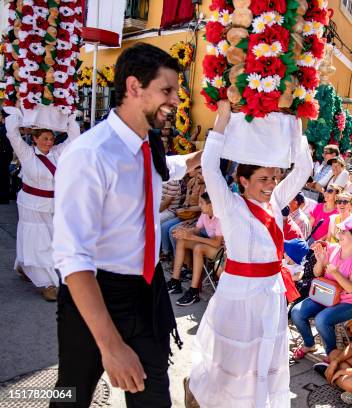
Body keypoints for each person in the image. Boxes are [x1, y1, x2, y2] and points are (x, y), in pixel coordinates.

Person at [52, 43, 202, 407]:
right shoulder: (90, 155)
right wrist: (111, 346)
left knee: (154, 399)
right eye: (166, 90)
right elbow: (73, 259)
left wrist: (220, 142)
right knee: (69, 395)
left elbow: (175, 166)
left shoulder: (149, 145)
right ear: (134, 87)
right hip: (96, 295)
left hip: (145, 293)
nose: (176, 101)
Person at [189, 100, 312, 407]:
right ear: (243, 180)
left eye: (273, 178)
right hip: (238, 293)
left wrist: (295, 124)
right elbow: (208, 164)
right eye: (263, 179)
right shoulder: (229, 205)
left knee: (263, 359)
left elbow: (304, 168)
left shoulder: (276, 201)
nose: (271, 185)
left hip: (270, 293)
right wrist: (222, 119)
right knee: (234, 362)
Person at [5, 109, 80, 301]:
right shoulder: (26, 153)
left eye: (51, 138)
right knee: (39, 241)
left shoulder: (58, 153)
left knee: (51, 240)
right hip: (31, 204)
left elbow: (74, 138)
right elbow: (12, 133)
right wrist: (19, 111)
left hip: (54, 204)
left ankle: (24, 264)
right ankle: (47, 283)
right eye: (45, 138)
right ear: (35, 139)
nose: (49, 142)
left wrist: (68, 115)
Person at [291, 214, 352, 358]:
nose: (339, 232)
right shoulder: (333, 248)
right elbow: (317, 273)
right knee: (296, 312)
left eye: (344, 231)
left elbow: (351, 288)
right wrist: (320, 261)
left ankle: (332, 354)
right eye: (340, 229)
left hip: (349, 303)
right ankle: (309, 344)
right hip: (325, 295)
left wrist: (335, 272)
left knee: (321, 320)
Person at [166, 192, 223, 305]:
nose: (199, 205)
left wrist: (191, 236)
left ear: (211, 205)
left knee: (198, 248)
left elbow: (217, 243)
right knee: (182, 241)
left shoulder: (219, 218)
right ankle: (175, 281)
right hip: (210, 245)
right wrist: (184, 233)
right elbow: (196, 230)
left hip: (222, 250)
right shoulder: (204, 214)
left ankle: (194, 291)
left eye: (202, 203)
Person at [0, 114, 13, 204]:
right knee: (4, 175)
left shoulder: (5, 128)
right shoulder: (7, 127)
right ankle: (4, 196)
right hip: (6, 153)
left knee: (3, 175)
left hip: (3, 154)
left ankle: (3, 197)